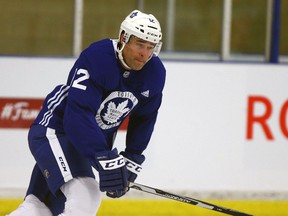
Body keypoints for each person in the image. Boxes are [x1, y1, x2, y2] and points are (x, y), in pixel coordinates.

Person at [7, 9, 165, 216]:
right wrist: (103, 156)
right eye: (139, 45)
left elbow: (145, 118)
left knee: (39, 208)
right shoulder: (98, 57)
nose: (145, 54)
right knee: (86, 196)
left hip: (81, 144)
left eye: (150, 47)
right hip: (56, 131)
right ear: (123, 39)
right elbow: (78, 115)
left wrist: (132, 158)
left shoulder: (154, 73)